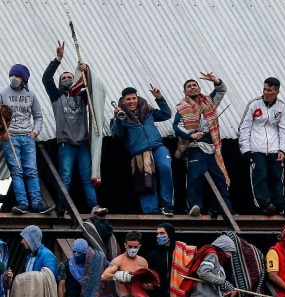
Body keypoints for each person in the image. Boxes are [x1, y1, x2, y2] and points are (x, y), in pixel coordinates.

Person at [42, 42, 107, 217]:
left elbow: (95, 87)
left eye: (69, 77)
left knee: (87, 178)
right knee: (66, 178)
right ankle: (62, 208)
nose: (67, 80)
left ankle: (94, 206)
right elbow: (46, 79)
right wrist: (58, 60)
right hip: (66, 144)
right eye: (63, 78)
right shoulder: (56, 97)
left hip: (83, 143)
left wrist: (87, 71)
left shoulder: (82, 95)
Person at [173, 72, 235, 218]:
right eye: (189, 86)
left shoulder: (209, 101)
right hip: (195, 147)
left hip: (212, 148)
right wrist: (191, 135)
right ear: (185, 92)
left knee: (220, 179)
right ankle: (195, 207)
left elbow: (221, 90)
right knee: (195, 177)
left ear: (199, 88)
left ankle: (225, 210)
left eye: (195, 85)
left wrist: (216, 80)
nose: (192, 88)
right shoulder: (182, 107)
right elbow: (176, 126)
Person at [111, 86, 174, 216]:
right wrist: (117, 118)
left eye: (134, 98)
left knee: (165, 167)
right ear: (123, 101)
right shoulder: (120, 117)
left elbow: (166, 114)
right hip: (139, 152)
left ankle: (166, 205)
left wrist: (159, 98)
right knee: (146, 181)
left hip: (157, 147)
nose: (132, 101)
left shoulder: (148, 111)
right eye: (128, 99)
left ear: (138, 98)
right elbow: (118, 135)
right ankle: (151, 212)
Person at [0, 64, 54, 215]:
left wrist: (35, 133)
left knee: (31, 171)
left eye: (17, 76)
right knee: (17, 171)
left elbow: (38, 116)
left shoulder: (31, 95)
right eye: (12, 76)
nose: (13, 79)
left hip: (27, 138)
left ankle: (36, 203)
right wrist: (3, 134)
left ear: (23, 79)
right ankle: (23, 204)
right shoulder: (3, 93)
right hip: (11, 138)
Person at [238, 77, 285, 217]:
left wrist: (283, 149)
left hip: (275, 149)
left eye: (269, 90)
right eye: (264, 89)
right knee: (260, 176)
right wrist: (245, 149)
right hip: (256, 148)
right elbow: (244, 128)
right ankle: (265, 205)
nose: (266, 92)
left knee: (276, 177)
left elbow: (284, 129)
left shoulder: (282, 107)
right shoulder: (254, 104)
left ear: (277, 91)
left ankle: (280, 206)